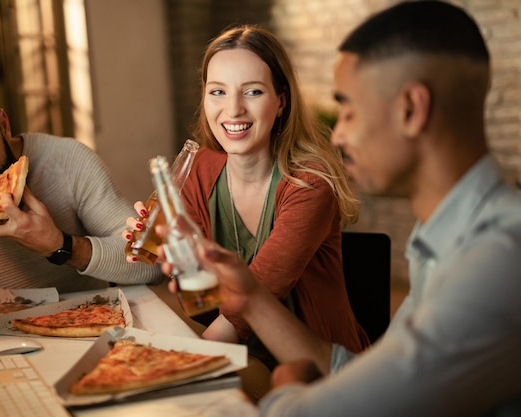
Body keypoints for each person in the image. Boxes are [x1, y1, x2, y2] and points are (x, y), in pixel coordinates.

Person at [162, 1, 521, 416]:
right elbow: (369, 375)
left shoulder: (498, 259)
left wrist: (286, 391)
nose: (340, 135)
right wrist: (251, 299)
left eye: (349, 109)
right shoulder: (440, 238)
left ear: (411, 109)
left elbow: (367, 408)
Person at [126, 25, 369, 363]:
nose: (233, 109)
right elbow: (206, 302)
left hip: (317, 369)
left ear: (281, 100)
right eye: (218, 92)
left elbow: (239, 314)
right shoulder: (199, 169)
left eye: (252, 92)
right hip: (242, 357)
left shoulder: (310, 183)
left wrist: (173, 364)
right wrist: (177, 257)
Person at [0, 69, 162, 293]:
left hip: (85, 326)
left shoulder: (69, 160)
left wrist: (60, 246)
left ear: (4, 125)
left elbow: (151, 264)